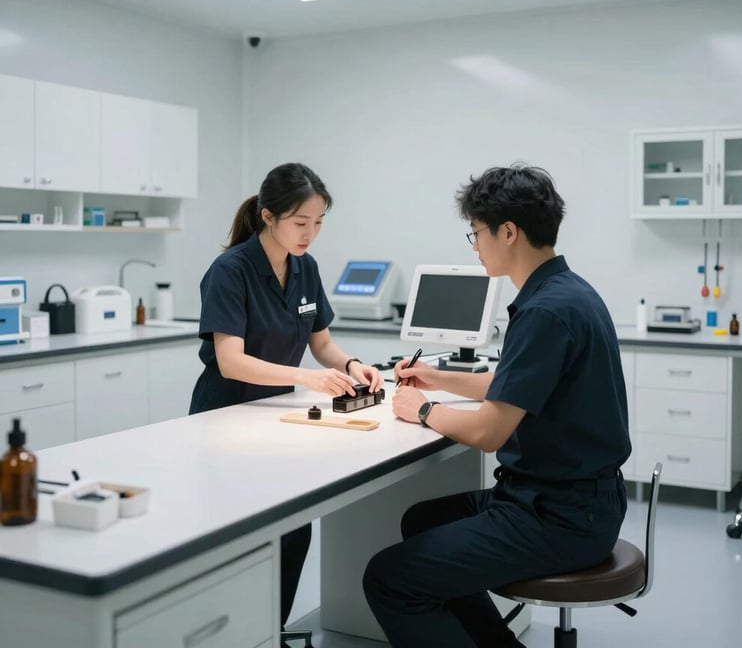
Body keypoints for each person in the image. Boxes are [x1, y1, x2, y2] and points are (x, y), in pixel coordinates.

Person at [363, 163, 631, 648]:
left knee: (388, 578)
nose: (475, 244)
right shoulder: (567, 292)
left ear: (508, 232)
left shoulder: (545, 311)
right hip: (576, 500)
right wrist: (438, 377)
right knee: (421, 521)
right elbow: (514, 384)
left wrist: (420, 409)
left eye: (476, 233)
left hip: (559, 517)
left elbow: (490, 433)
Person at [189, 162, 383, 639]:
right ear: (269, 216)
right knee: (238, 536)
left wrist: (352, 365)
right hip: (225, 415)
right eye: (301, 223)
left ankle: (267, 630)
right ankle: (239, 631)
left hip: (275, 416)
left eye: (318, 223)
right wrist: (309, 379)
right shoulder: (230, 270)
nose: (310, 234)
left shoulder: (305, 268)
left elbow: (322, 343)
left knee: (293, 528)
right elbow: (231, 360)